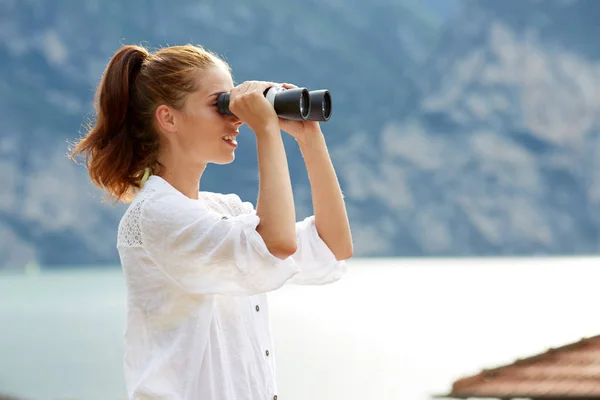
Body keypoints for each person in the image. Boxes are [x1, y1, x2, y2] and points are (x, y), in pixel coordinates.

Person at [70, 43, 353, 400]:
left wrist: (309, 137)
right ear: (168, 118)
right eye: (221, 104)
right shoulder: (155, 216)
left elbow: (335, 247)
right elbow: (276, 245)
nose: (236, 118)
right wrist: (266, 130)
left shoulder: (224, 210)